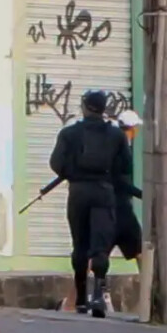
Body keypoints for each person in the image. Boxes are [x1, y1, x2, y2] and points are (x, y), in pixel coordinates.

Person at [50, 90, 132, 318]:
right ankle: (98, 297)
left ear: (84, 107)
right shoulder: (116, 135)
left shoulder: (69, 133)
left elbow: (56, 163)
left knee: (80, 245)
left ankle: (80, 300)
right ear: (104, 108)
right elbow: (126, 166)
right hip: (104, 193)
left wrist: (73, 174)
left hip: (78, 193)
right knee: (100, 248)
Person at [111, 110, 144, 267]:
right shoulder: (122, 149)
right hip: (121, 209)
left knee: (96, 253)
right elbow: (120, 181)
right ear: (132, 129)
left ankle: (78, 285)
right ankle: (148, 282)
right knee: (140, 250)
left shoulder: (111, 146)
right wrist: (141, 194)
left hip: (106, 208)